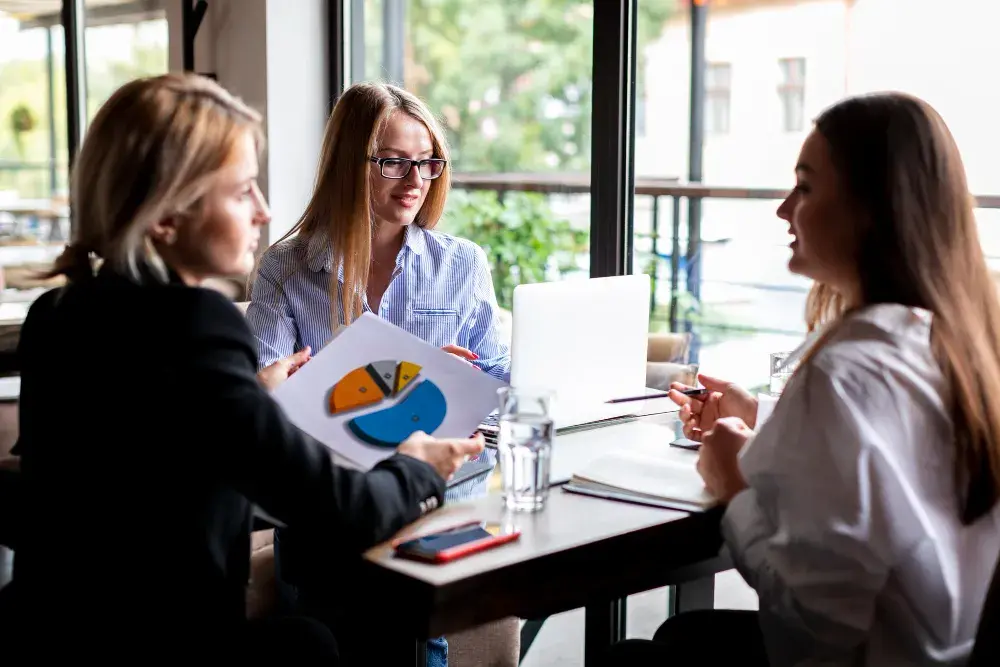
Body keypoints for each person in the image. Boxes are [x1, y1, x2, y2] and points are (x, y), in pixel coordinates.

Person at [0, 73, 483, 663]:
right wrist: (419, 467)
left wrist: (251, 397)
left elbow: (130, 480)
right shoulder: (196, 324)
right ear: (166, 217)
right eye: (240, 191)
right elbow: (345, 509)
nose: (263, 210)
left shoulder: (56, 314)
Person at [609, 92, 1000, 666]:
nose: (784, 209)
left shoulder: (846, 372)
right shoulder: (959, 343)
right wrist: (762, 417)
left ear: (872, 209)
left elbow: (814, 625)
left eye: (807, 187)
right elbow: (897, 459)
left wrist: (734, 487)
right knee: (683, 635)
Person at [246, 82, 511, 665]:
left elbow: (500, 389)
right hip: (327, 495)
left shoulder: (461, 263)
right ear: (349, 165)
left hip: (436, 493)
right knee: (338, 565)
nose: (415, 180)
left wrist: (458, 381)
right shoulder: (285, 268)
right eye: (393, 162)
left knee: (387, 580)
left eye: (427, 162)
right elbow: (265, 402)